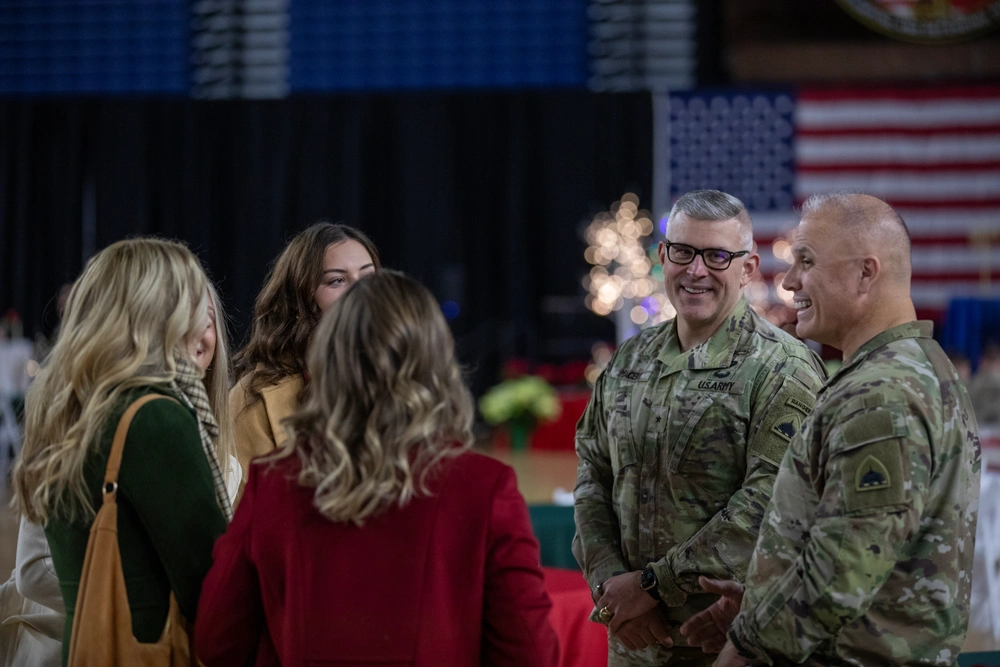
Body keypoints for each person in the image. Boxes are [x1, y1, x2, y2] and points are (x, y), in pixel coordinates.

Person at [194, 271, 559, 666]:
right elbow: (531, 653)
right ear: (438, 365)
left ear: (328, 362)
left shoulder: (275, 481)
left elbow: (217, 641)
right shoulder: (485, 488)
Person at [680, 193, 981, 666]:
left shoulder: (882, 395)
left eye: (807, 261)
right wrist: (760, 600)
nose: (791, 280)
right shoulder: (909, 369)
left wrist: (743, 646)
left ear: (866, 273)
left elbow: (838, 579)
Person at [573, 190, 826, 666]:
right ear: (664, 256)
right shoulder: (630, 359)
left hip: (727, 644)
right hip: (631, 640)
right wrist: (610, 584)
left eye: (717, 256)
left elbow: (767, 506)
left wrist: (652, 587)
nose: (696, 270)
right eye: (683, 251)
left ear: (748, 268)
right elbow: (592, 473)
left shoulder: (783, 368)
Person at [11, 238, 231, 666]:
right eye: (191, 306)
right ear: (156, 314)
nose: (202, 325)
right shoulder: (156, 417)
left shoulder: (72, 412)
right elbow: (213, 590)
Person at [230, 222, 380, 498]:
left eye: (368, 278)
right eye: (337, 280)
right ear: (302, 298)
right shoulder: (253, 397)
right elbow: (244, 520)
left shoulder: (405, 377)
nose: (361, 292)